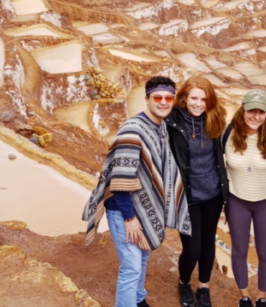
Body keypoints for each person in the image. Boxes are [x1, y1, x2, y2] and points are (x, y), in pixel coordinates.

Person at [82, 76, 191, 307]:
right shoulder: (134, 130)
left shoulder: (160, 127)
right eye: (157, 97)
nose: (163, 102)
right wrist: (129, 218)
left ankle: (139, 300)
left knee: (142, 255)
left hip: (141, 205)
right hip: (124, 209)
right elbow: (120, 178)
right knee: (131, 267)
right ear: (147, 99)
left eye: (168, 97)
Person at [164, 76, 229, 307]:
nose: (198, 103)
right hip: (187, 196)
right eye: (194, 98)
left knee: (208, 242)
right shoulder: (171, 122)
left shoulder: (216, 120)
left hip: (213, 194)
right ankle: (183, 283)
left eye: (203, 99)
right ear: (184, 98)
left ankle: (203, 287)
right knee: (192, 248)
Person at [224, 89, 266, 307]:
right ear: (243, 110)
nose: (256, 116)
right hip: (237, 199)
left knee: (265, 252)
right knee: (239, 250)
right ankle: (245, 296)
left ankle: (262, 297)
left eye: (261, 112)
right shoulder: (228, 133)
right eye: (251, 111)